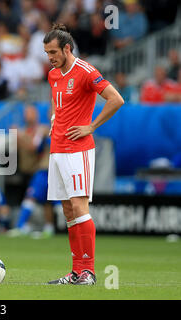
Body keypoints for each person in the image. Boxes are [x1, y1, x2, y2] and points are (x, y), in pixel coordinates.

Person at [43, 24, 124, 285]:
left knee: (79, 206)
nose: (51, 57)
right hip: (57, 148)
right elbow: (58, 105)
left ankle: (88, 271)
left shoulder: (87, 72)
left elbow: (115, 99)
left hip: (78, 149)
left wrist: (91, 126)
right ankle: (76, 271)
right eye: (47, 53)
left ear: (67, 48)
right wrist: (54, 120)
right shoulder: (53, 75)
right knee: (67, 210)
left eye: (54, 52)